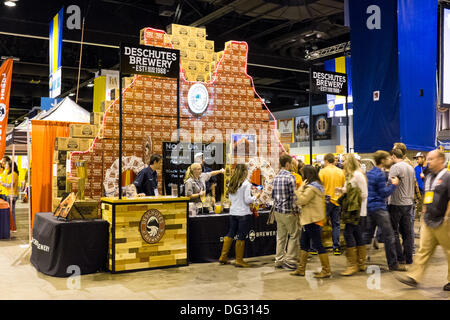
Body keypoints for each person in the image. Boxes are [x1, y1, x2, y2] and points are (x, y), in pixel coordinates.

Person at [394, 149, 450, 291]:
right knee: (423, 250)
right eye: (428, 159)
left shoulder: (448, 177)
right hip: (429, 219)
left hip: (444, 221)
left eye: (431, 159)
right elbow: (428, 193)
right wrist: (424, 208)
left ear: (441, 160)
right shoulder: (429, 175)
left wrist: (447, 216)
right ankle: (414, 277)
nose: (428, 161)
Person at [364, 150, 406, 271]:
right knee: (390, 236)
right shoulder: (380, 174)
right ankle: (393, 264)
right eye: (387, 158)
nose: (390, 160)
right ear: (382, 161)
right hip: (379, 209)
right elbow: (383, 193)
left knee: (367, 235)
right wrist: (394, 184)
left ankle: (359, 261)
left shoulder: (370, 173)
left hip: (370, 207)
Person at [290, 165, 331, 278]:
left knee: (318, 245)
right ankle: (301, 269)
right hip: (310, 220)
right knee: (304, 244)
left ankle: (326, 270)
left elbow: (301, 200)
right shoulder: (317, 186)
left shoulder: (311, 189)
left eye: (303, 174)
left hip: (312, 220)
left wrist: (299, 189)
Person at [218, 164, 260, 267]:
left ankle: (223, 257)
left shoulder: (232, 182)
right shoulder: (246, 184)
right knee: (241, 236)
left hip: (233, 212)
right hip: (243, 214)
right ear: (245, 172)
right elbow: (247, 200)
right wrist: (255, 196)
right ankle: (239, 260)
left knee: (230, 233)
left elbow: (231, 199)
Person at [338, 154, 368, 276]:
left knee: (348, 234)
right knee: (357, 235)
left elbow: (364, 194)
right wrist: (341, 191)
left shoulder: (357, 175)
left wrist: (352, 196)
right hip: (354, 211)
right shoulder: (351, 175)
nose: (342, 163)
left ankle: (353, 265)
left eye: (344, 161)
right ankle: (361, 263)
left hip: (357, 211)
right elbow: (348, 189)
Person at [272, 154, 300, 270]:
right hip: (288, 211)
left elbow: (273, 195)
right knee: (294, 235)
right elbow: (294, 197)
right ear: (287, 164)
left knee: (281, 236)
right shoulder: (290, 177)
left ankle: (279, 260)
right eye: (291, 163)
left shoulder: (276, 177)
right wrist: (296, 210)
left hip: (277, 211)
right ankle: (291, 260)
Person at [388, 148, 416, 267]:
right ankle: (408, 258)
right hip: (409, 203)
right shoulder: (410, 167)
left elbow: (390, 184)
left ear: (393, 156)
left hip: (397, 203)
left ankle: (400, 258)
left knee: (394, 232)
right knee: (407, 233)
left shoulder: (395, 167)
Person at [319, 153, 345, 255]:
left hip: (325, 201)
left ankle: (316, 247)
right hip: (337, 201)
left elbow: (319, 187)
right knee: (336, 225)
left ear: (325, 161)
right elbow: (343, 186)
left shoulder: (322, 172)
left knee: (320, 224)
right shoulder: (340, 172)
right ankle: (336, 248)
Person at [1, 158, 19, 230]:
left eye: (7, 164)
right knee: (10, 211)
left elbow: (10, 185)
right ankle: (11, 226)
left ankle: (13, 227)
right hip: (9, 194)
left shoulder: (13, 174)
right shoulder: (10, 174)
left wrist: (2, 184)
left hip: (12, 195)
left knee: (12, 212)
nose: (5, 165)